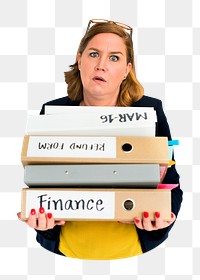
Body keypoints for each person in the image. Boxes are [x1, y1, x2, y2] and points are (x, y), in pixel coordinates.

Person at [18, 19, 183, 260]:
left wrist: (161, 224)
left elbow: (171, 182)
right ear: (80, 59)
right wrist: (41, 222)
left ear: (127, 69)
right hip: (64, 251)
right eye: (94, 54)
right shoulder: (51, 112)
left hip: (136, 251)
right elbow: (38, 182)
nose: (101, 65)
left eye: (114, 58)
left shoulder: (151, 111)